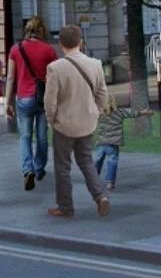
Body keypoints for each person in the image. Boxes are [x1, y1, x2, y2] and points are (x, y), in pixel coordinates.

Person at [43, 23, 110, 219]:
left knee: (62, 166)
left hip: (64, 124)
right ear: (80, 42)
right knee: (86, 161)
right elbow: (102, 93)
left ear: (61, 44)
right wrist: (95, 112)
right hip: (87, 123)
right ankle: (100, 196)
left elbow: (50, 100)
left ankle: (65, 206)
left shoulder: (55, 68)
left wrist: (52, 118)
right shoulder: (96, 64)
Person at [6, 16, 59, 191]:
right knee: (42, 136)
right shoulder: (49, 50)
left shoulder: (16, 49)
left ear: (27, 30)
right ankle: (39, 169)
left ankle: (27, 169)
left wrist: (8, 102)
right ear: (42, 30)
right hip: (43, 98)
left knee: (25, 136)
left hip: (24, 98)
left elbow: (11, 77)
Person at [93, 98, 153, 191]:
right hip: (113, 142)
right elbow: (132, 113)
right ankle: (110, 182)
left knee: (98, 160)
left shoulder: (101, 114)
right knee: (112, 161)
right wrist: (144, 112)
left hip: (102, 142)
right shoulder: (120, 112)